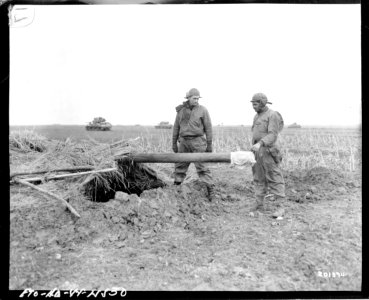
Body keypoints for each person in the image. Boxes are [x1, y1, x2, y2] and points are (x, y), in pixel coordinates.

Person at [172, 88, 215, 201]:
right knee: (180, 166)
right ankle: (176, 188)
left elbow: (208, 128)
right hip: (184, 142)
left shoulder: (203, 110)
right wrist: (174, 143)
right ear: (188, 98)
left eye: (197, 98)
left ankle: (210, 190)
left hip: (198, 142)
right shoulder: (180, 111)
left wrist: (209, 144)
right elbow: (176, 127)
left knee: (202, 167)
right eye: (194, 98)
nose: (196, 100)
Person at [250, 93, 285, 216]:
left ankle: (280, 207)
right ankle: (259, 203)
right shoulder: (256, 116)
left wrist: (260, 143)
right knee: (258, 177)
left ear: (262, 103)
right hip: (258, 152)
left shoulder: (272, 115)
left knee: (274, 178)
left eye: (255, 104)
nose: (253, 107)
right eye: (252, 104)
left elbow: (272, 135)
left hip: (269, 151)